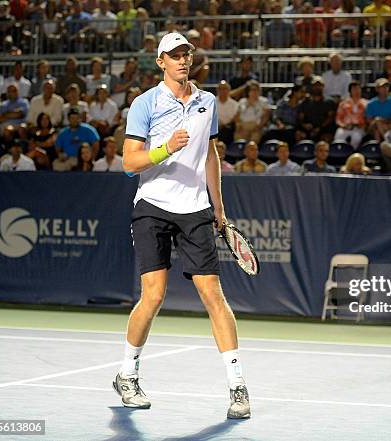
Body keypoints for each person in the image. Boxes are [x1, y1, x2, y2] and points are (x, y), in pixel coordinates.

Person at [117, 32, 250, 418]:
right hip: (153, 206)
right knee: (154, 295)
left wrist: (218, 208)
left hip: (194, 209)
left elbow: (209, 154)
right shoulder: (145, 104)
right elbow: (129, 163)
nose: (182, 60)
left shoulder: (207, 102)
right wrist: (165, 149)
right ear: (160, 61)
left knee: (214, 296)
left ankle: (238, 387)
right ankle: (128, 374)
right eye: (174, 55)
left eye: (186, 54)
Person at [53, 107, 100, 171]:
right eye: (72, 118)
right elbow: (58, 148)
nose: (75, 120)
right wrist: (61, 155)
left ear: (80, 118)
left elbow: (96, 145)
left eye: (77, 118)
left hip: (84, 159)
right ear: (68, 119)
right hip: (68, 159)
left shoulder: (89, 130)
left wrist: (92, 159)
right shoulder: (63, 133)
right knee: (56, 166)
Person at [296, 76, 337, 143]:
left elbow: (330, 118)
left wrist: (319, 128)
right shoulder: (305, 102)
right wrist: (304, 125)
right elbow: (300, 118)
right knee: (299, 135)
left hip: (323, 129)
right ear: (311, 86)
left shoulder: (329, 102)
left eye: (319, 85)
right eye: (315, 85)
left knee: (327, 137)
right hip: (308, 129)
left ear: (323, 86)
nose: (317, 87)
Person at [365, 78, 391, 142]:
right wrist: (380, 121)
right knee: (377, 121)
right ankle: (388, 142)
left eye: (387, 86)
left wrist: (384, 121)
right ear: (377, 89)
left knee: (377, 131)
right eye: (382, 87)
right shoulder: (371, 103)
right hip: (373, 127)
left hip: (390, 125)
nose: (385, 89)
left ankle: (381, 146)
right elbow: (369, 121)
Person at [334, 81, 367, 149]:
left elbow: (368, 118)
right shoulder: (343, 103)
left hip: (359, 128)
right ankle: (339, 155)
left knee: (356, 138)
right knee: (338, 136)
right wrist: (344, 126)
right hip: (345, 127)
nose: (356, 91)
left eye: (358, 89)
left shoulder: (366, 103)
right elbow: (338, 119)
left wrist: (363, 126)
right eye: (354, 89)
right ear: (350, 91)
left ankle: (352, 155)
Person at [215, 81, 238, 146]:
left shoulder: (234, 104)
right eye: (220, 89)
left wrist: (226, 124)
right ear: (217, 90)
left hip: (229, 128)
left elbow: (235, 118)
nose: (222, 91)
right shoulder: (212, 102)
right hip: (216, 127)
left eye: (225, 89)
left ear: (229, 90)